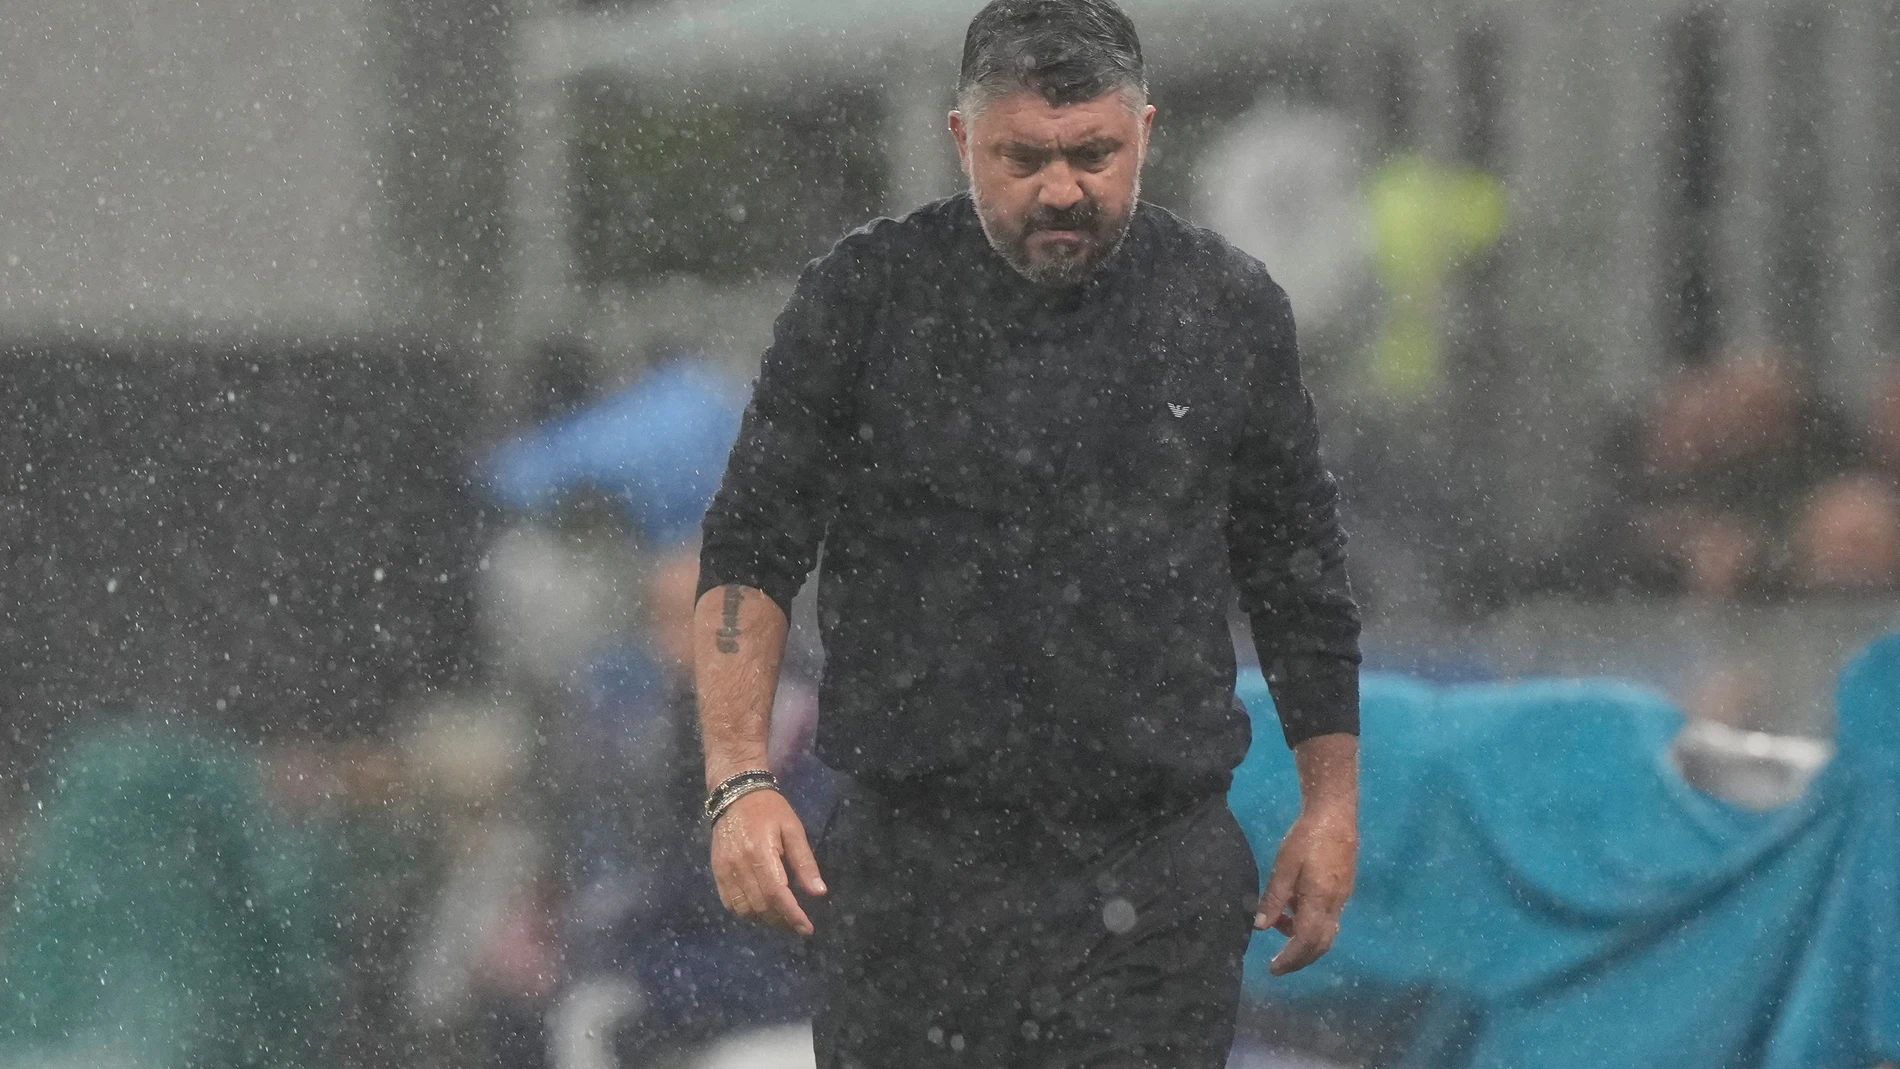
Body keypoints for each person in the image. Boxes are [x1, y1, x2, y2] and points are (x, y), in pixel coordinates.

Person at [693, 2, 1363, 1066]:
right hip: (912, 857)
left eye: (1094, 154)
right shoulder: (863, 299)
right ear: (963, 141)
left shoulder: (1226, 309)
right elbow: (750, 548)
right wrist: (738, 778)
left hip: (1152, 861)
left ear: (1145, 130)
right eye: (1024, 158)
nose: (1062, 188)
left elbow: (1301, 583)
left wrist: (1330, 804)